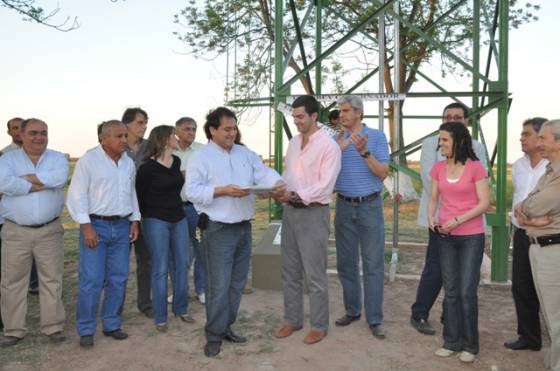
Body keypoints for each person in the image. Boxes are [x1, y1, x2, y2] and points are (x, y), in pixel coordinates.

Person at [185, 107, 282, 357]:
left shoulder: (245, 154)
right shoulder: (202, 157)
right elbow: (192, 192)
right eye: (227, 128)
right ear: (213, 130)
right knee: (218, 284)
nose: (232, 132)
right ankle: (214, 335)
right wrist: (222, 190)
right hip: (217, 229)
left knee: (237, 283)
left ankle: (226, 326)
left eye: (234, 128)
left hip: (243, 227)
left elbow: (263, 175)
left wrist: (277, 184)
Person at [411, 102, 487, 335]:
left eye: (458, 116)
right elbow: (428, 178)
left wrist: (460, 214)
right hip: (438, 219)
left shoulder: (477, 147)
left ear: (467, 121)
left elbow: (478, 184)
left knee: (463, 273)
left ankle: (450, 315)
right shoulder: (430, 145)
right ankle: (420, 314)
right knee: (435, 269)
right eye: (447, 117)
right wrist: (444, 215)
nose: (452, 120)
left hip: (467, 221)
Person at [67, 120, 140, 348]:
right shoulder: (89, 160)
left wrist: (135, 219)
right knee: (92, 280)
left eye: (125, 136)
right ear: (103, 137)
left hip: (121, 226)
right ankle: (86, 328)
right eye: (118, 136)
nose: (124, 141)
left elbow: (131, 193)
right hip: (95, 226)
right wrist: (86, 226)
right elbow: (77, 195)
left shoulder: (128, 163)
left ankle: (111, 324)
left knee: (118, 278)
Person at [274, 95, 341, 345]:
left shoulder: (328, 146)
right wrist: (279, 188)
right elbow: (289, 173)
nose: (296, 121)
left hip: (314, 213)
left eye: (300, 116)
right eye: (294, 117)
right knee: (289, 270)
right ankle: (292, 319)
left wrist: (294, 195)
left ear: (314, 116)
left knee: (314, 273)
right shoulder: (292, 143)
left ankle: (319, 325)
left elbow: (325, 186)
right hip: (290, 212)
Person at [0, 118, 68, 347]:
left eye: (43, 132)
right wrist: (40, 184)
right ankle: (14, 330)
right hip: (15, 231)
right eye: (33, 133)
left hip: (49, 230)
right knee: (13, 282)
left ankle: (53, 327)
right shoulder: (8, 159)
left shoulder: (58, 158)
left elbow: (59, 179)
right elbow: (3, 183)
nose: (39, 137)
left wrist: (25, 180)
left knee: (52, 280)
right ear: (21, 134)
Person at [429, 122, 489, 363]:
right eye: (440, 139)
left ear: (459, 141)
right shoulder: (438, 168)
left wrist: (458, 220)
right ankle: (451, 341)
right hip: (445, 237)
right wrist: (431, 217)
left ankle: (470, 345)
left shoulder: (476, 168)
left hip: (471, 237)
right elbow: (434, 198)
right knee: (451, 291)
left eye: (444, 140)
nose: (440, 144)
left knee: (466, 291)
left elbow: (484, 203)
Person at [333, 95, 390, 339]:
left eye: (346, 111)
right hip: (343, 206)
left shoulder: (376, 137)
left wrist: (364, 152)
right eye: (340, 111)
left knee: (372, 264)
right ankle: (353, 310)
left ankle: (374, 318)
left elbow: (382, 174)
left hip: (369, 206)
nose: (342, 115)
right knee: (346, 263)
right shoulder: (333, 140)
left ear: (359, 113)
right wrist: (336, 149)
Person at [136, 125, 192, 332]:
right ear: (164, 139)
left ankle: (181, 309)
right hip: (155, 220)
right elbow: (139, 197)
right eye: (173, 135)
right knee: (160, 268)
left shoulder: (176, 162)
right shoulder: (146, 168)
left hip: (178, 218)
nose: (177, 138)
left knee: (181, 264)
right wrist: (143, 219)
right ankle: (161, 317)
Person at [516, 119, 560, 371]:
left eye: (543, 138)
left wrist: (528, 211)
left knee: (556, 317)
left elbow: (533, 205)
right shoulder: (550, 171)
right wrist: (530, 214)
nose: (539, 143)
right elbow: (527, 203)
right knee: (551, 314)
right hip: (539, 245)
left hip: (554, 250)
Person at [505, 117, 548, 351]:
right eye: (522, 134)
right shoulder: (519, 166)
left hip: (548, 237)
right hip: (522, 235)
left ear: (541, 138)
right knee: (521, 286)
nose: (521, 138)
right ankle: (530, 338)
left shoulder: (553, 167)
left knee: (549, 289)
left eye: (526, 134)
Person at [0, 117, 39, 295]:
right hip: (11, 215)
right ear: (9, 132)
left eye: (22, 127)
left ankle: (35, 283)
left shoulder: (39, 153)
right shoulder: (5, 155)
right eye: (14, 128)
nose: (18, 131)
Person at [122, 107, 153, 318]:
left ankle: (145, 303)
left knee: (146, 260)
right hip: (120, 212)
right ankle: (115, 307)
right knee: (118, 264)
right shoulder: (116, 145)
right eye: (140, 122)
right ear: (127, 124)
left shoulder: (151, 147)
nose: (144, 127)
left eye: (146, 122)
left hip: (146, 211)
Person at [174, 117, 205, 304]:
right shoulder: (168, 150)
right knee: (178, 251)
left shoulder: (202, 151)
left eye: (194, 129)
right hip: (175, 208)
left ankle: (201, 289)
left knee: (201, 249)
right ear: (176, 131)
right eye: (187, 129)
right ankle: (180, 290)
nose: (191, 133)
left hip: (196, 208)